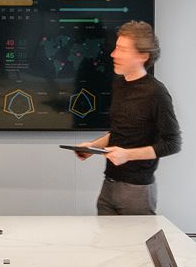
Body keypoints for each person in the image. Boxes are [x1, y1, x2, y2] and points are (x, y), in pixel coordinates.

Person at [72, 20, 182, 215]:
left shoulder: (156, 93)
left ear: (142, 56)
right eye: (116, 48)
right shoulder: (119, 85)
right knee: (105, 245)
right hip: (109, 185)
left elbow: (172, 143)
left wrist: (127, 155)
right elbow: (119, 132)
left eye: (122, 50)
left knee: (134, 246)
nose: (113, 54)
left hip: (137, 191)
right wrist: (92, 147)